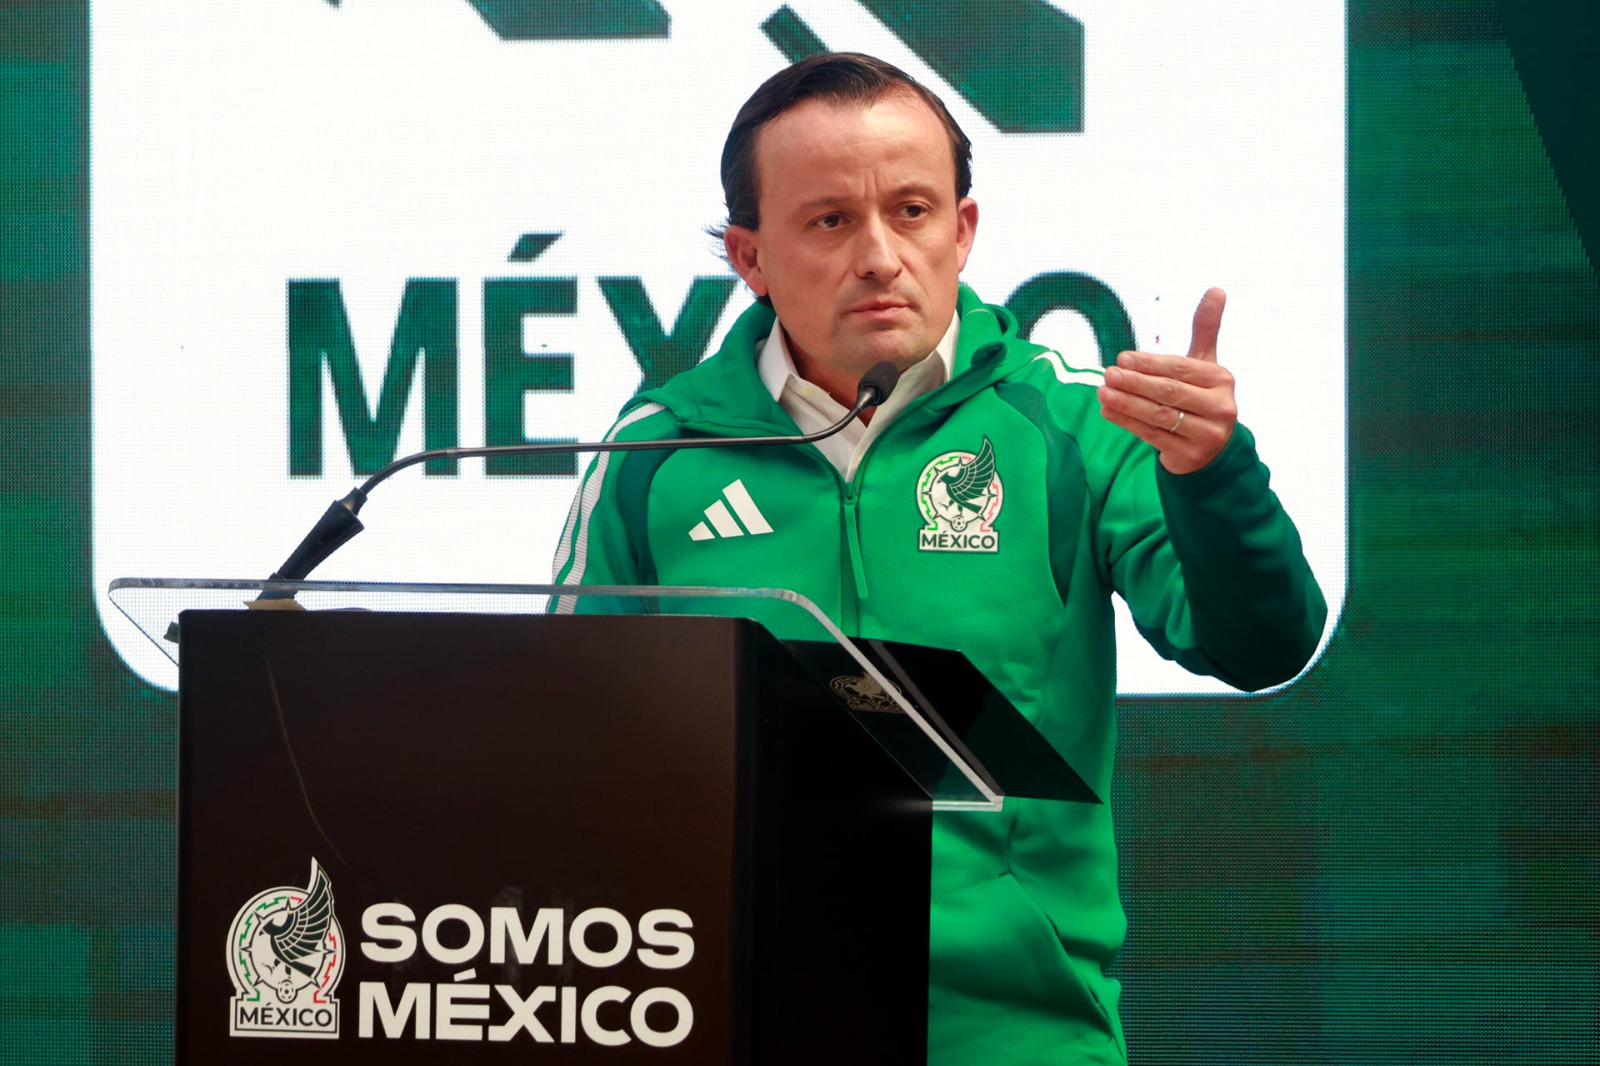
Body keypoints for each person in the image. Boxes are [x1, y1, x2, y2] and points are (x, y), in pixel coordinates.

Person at [551, 52, 1327, 1066]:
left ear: (961, 231)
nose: (879, 255)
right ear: (750, 257)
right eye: (830, 221)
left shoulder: (1073, 425)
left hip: (1014, 1032)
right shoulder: (654, 453)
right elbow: (568, 754)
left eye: (911, 211)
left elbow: (1260, 646)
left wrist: (1213, 476)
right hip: (725, 1020)